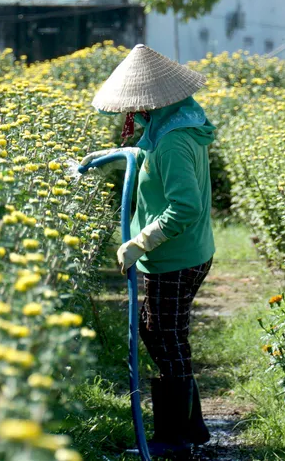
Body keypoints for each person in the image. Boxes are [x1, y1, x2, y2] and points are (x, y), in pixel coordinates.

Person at [81, 44, 215, 454]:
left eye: (137, 106)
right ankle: (189, 429)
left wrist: (140, 242)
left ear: (151, 102)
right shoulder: (172, 124)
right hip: (178, 254)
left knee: (166, 336)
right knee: (157, 331)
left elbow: (185, 207)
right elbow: (148, 154)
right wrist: (115, 158)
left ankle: (176, 437)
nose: (132, 113)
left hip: (176, 256)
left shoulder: (174, 141)